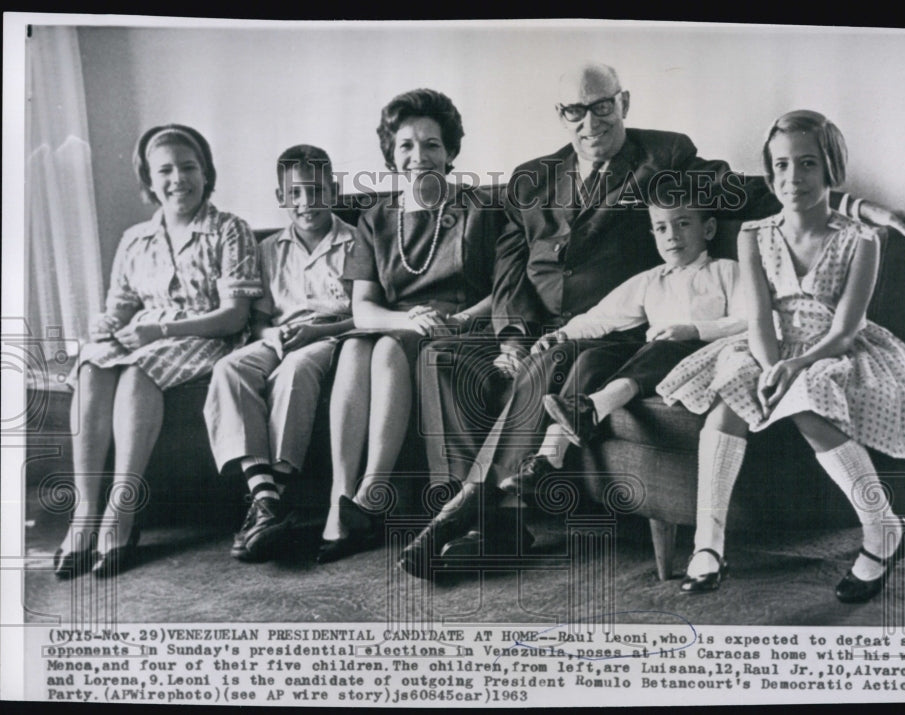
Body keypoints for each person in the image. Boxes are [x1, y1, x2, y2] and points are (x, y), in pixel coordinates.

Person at [404, 62, 905, 578]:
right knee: (442, 357)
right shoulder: (532, 177)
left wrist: (863, 209)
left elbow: (760, 190)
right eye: (575, 111)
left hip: (621, 330)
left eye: (602, 107)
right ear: (561, 115)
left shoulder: (664, 157)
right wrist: (512, 338)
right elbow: (510, 265)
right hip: (540, 326)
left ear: (623, 103)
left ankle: (471, 509)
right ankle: (498, 527)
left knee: (557, 359)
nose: (590, 123)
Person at [655, 110, 905, 601]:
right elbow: (759, 318)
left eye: (807, 164)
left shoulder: (861, 239)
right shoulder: (754, 234)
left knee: (808, 398)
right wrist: (771, 365)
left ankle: (882, 529)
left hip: (831, 348)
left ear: (830, 168)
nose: (792, 177)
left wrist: (796, 366)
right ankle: (708, 544)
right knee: (728, 398)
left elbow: (846, 329)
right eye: (781, 165)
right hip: (769, 344)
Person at [55, 124, 262, 579]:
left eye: (188, 167)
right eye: (165, 170)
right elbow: (121, 305)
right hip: (145, 335)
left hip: (204, 336)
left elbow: (234, 316)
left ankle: (122, 510)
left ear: (206, 173)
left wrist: (160, 329)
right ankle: (85, 513)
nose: (178, 179)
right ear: (149, 180)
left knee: (138, 370)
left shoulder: (230, 230)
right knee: (91, 366)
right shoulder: (134, 238)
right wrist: (107, 325)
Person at [317, 88, 503, 564]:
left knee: (384, 348)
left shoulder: (481, 208)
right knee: (357, 347)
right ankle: (342, 497)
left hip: (459, 330)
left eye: (431, 144)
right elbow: (363, 308)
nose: (419, 156)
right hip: (398, 328)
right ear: (392, 153)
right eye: (406, 145)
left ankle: (372, 493)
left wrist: (451, 321)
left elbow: (502, 292)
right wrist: (407, 320)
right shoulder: (376, 218)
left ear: (450, 151)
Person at [499, 183, 745, 494]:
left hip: (704, 355)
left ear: (708, 229)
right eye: (661, 228)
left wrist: (694, 330)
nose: (672, 235)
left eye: (683, 223)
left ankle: (589, 410)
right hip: (654, 357)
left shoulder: (726, 271)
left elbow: (749, 319)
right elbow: (602, 317)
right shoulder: (652, 279)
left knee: (661, 346)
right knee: (592, 357)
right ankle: (549, 457)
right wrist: (561, 334)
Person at [203, 145, 357, 563]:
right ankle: (267, 498)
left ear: (334, 190)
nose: (306, 202)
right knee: (229, 368)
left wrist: (315, 332)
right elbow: (258, 321)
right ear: (280, 197)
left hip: (331, 336)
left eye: (316, 191)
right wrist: (272, 333)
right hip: (280, 335)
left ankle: (273, 495)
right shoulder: (268, 249)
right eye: (295, 194)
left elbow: (362, 314)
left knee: (295, 369)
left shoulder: (356, 241)